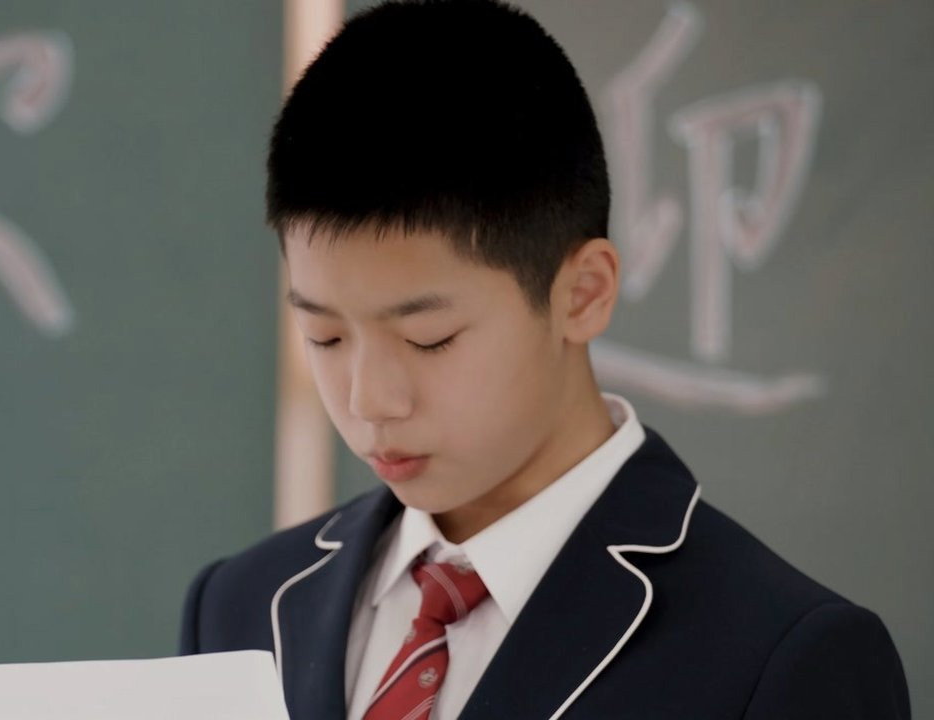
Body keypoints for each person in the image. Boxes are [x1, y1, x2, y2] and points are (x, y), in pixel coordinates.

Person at [177, 1, 911, 718]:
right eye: (325, 337)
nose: (368, 400)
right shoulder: (237, 607)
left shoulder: (781, 661)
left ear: (583, 294)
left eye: (429, 338)